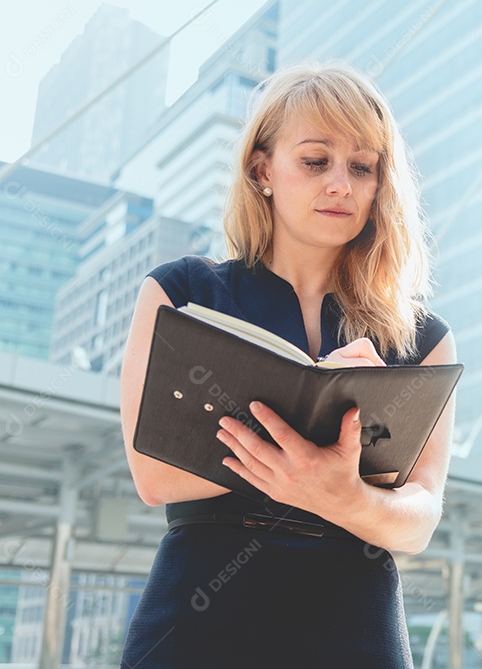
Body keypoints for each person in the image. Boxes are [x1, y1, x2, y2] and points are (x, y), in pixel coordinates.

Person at [118, 62, 456, 668]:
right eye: (315, 160)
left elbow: (420, 520)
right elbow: (153, 473)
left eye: (362, 167)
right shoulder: (182, 294)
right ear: (261, 170)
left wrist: (343, 495)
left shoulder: (420, 338)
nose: (341, 185)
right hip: (198, 626)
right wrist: (310, 452)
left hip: (355, 631)